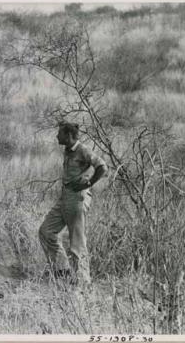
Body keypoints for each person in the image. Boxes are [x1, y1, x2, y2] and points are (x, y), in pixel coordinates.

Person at [38, 122, 108, 286]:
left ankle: (83, 284)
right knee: (46, 231)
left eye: (60, 133)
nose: (57, 136)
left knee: (77, 242)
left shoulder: (82, 150)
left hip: (77, 198)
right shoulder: (68, 151)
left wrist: (88, 184)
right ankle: (63, 271)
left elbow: (102, 167)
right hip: (65, 196)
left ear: (68, 136)